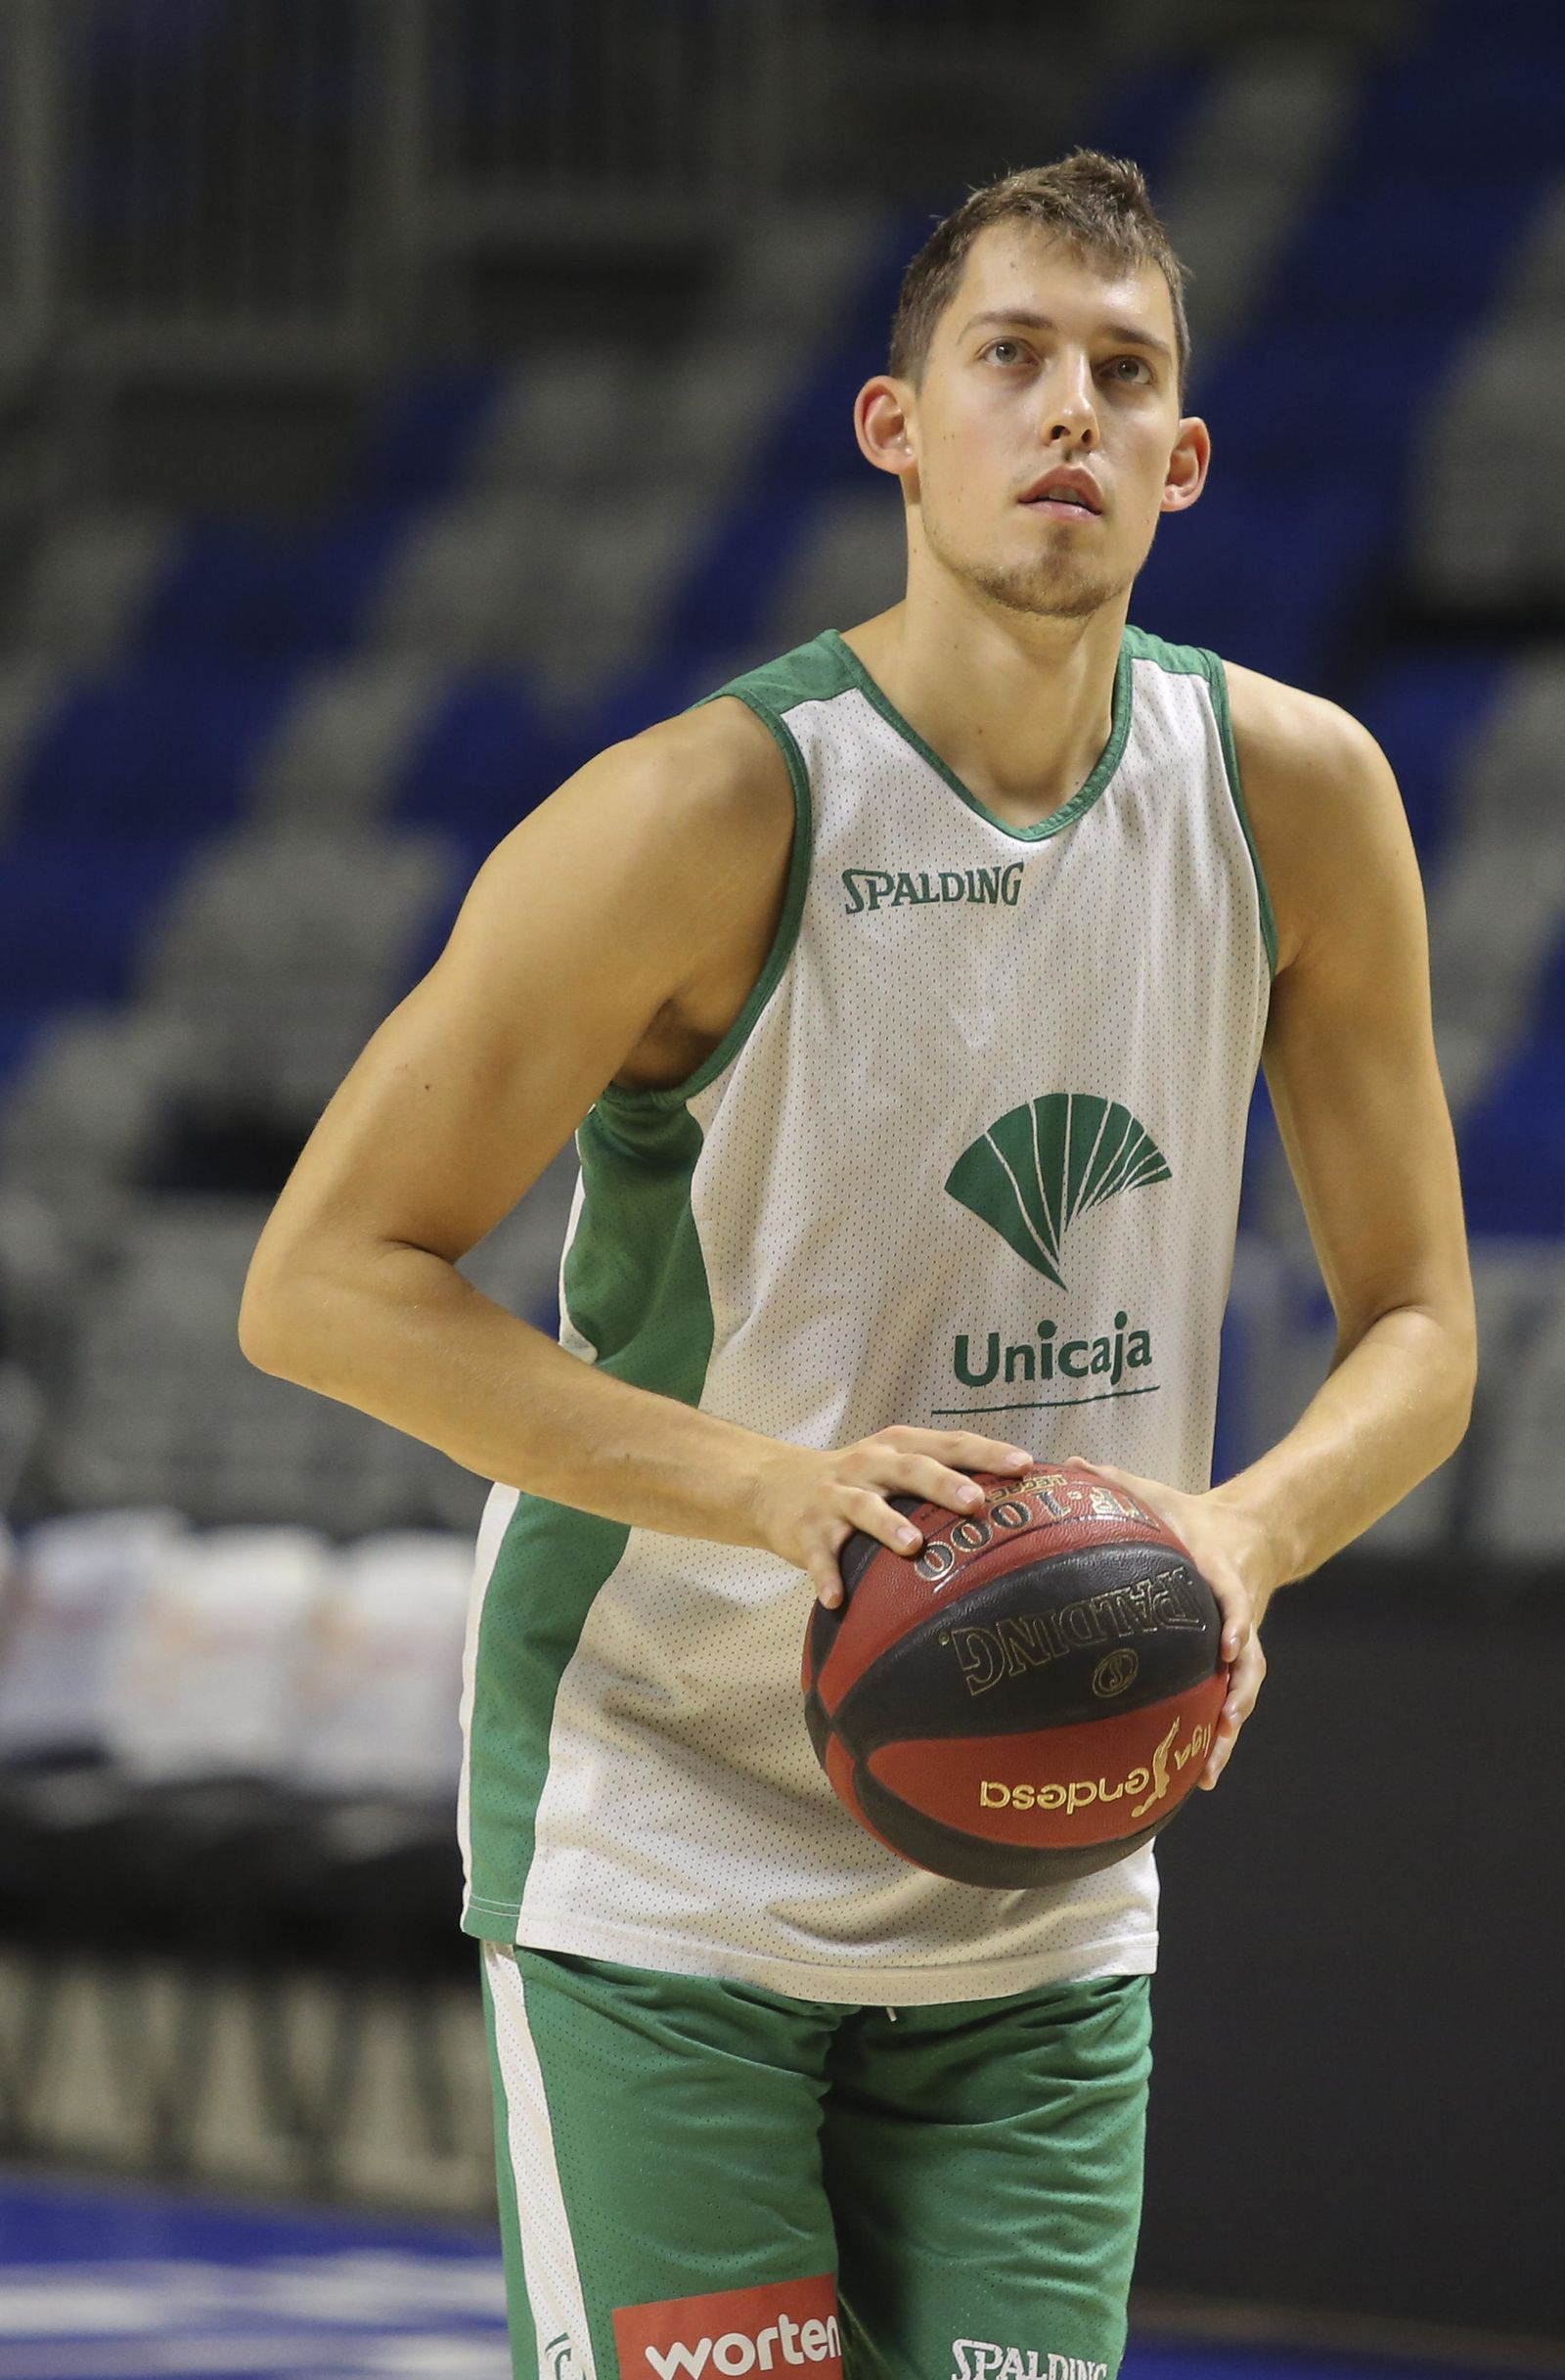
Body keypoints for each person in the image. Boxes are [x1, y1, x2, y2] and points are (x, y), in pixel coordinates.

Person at [241, 150, 1475, 2380]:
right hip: (667, 1830)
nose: (1067, 414)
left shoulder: (1292, 795)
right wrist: (773, 1490)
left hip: (1044, 1843)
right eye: (1008, 359)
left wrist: (1235, 1535)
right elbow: (322, 1280)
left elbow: (1417, 1327)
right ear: (894, 428)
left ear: (1183, 463)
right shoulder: (698, 812)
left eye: (1122, 375)